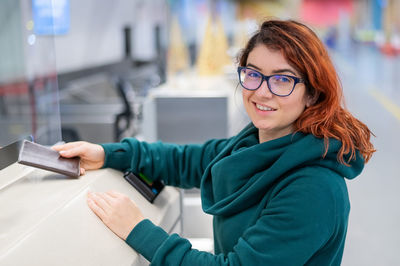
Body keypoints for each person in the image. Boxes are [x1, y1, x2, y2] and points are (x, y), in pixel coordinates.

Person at [53, 19, 375, 265]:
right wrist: (107, 154)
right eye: (253, 74)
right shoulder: (255, 144)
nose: (261, 91)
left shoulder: (313, 188)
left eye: (282, 79)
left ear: (312, 93)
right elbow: (187, 160)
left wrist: (139, 229)